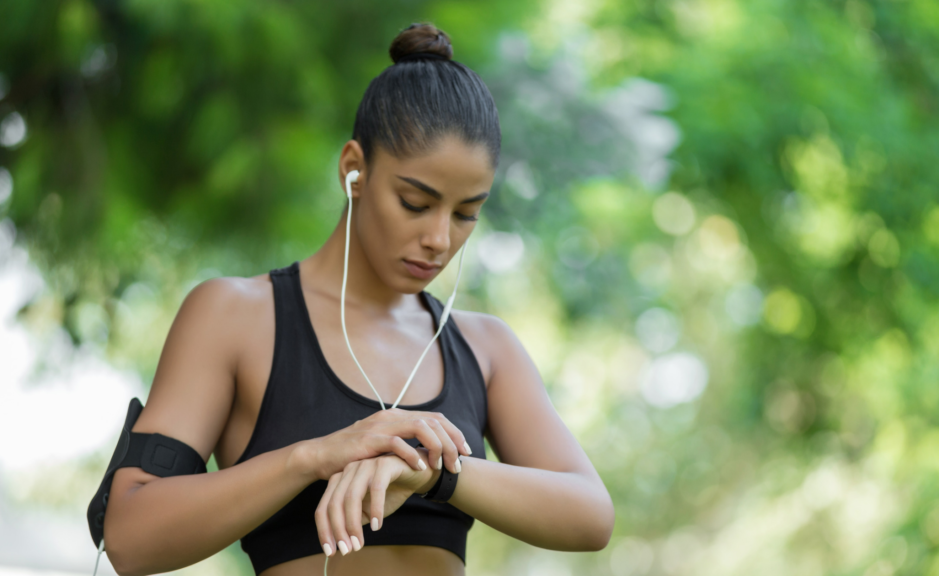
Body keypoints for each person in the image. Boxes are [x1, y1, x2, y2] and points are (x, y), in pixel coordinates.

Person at [101, 22, 614, 576]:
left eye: (467, 213)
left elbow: (590, 516)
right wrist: (312, 457)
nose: (440, 238)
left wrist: (437, 473)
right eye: (415, 202)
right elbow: (129, 536)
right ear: (354, 170)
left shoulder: (484, 346)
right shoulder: (235, 317)